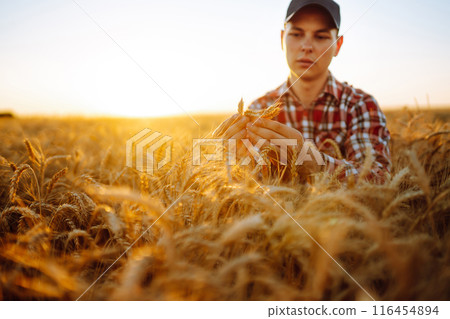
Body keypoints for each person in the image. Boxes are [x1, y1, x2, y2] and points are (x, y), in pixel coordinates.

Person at [214, 0, 391, 184]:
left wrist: (317, 165)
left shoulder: (361, 106)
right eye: (297, 34)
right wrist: (227, 162)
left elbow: (380, 179)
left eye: (320, 36)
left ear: (338, 45)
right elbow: (249, 186)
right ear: (282, 38)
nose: (307, 46)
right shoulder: (259, 109)